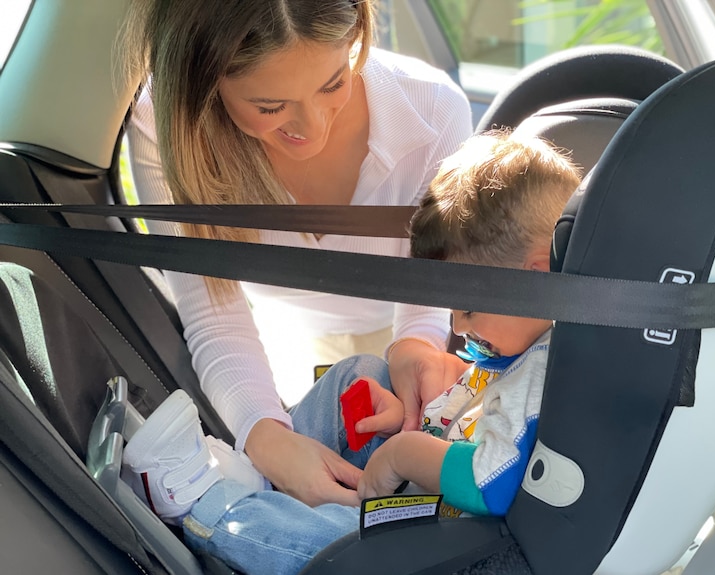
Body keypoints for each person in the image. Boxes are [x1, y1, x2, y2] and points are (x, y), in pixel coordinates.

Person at [122, 131, 582, 575]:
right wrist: (415, 415)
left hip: (445, 530)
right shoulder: (526, 344)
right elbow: (480, 412)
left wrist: (403, 452)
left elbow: (491, 483)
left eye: (468, 308)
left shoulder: (540, 370)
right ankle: (261, 479)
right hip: (429, 472)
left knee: (344, 542)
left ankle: (205, 506)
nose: (458, 327)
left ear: (536, 277)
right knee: (360, 374)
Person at [121, 0, 473, 508]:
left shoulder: (435, 111)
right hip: (277, 347)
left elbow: (432, 282)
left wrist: (417, 345)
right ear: (203, 82)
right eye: (270, 107)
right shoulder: (166, 127)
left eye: (334, 83)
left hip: (406, 333)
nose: (312, 128)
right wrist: (270, 440)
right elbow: (216, 316)